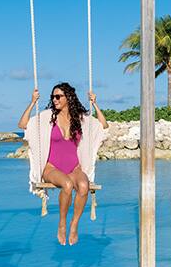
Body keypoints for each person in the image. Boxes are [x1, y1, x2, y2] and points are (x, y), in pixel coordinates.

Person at [19, 82, 108, 245]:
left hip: (74, 167)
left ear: (68, 98)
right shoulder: (47, 117)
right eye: (53, 96)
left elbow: (103, 126)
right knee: (67, 185)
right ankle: (62, 224)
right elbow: (23, 124)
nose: (54, 99)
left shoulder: (80, 119)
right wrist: (32, 102)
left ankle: (74, 225)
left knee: (83, 186)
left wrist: (95, 104)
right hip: (51, 167)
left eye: (58, 96)